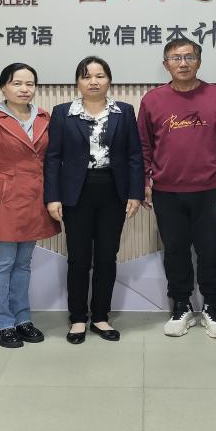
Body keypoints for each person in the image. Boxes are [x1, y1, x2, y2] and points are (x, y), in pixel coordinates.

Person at [138, 38, 216, 339]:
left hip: (213, 190)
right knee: (175, 250)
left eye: (189, 57)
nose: (182, 63)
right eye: (176, 58)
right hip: (167, 191)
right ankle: (181, 305)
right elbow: (143, 146)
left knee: (211, 250)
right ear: (166, 64)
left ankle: (212, 306)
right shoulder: (152, 100)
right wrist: (145, 181)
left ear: (199, 61)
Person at [44, 56, 145, 344]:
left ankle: (100, 316)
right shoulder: (63, 113)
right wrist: (53, 197)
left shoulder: (124, 111)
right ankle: (77, 318)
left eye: (100, 76)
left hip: (113, 191)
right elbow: (53, 158)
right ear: (77, 82)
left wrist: (135, 193)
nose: (93, 81)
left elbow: (134, 155)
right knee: (78, 258)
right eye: (86, 76)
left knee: (106, 257)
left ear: (109, 80)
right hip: (76, 192)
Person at [0, 63, 59, 349]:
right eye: (17, 83)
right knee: (1, 264)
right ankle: (0, 323)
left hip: (35, 199)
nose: (24, 89)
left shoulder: (44, 118)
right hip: (3, 200)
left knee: (23, 264)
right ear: (3, 87)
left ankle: (22, 319)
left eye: (29, 84)